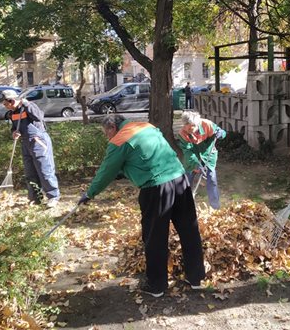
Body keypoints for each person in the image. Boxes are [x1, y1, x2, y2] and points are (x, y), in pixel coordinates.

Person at [78, 116, 205, 297]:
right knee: (189, 230)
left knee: (155, 237)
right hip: (180, 179)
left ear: (113, 127)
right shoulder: (146, 126)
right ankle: (196, 278)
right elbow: (148, 154)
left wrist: (90, 194)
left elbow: (106, 171)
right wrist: (123, 171)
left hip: (156, 188)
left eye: (107, 133)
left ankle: (157, 286)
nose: (108, 138)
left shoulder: (120, 140)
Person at [0, 89, 60, 208]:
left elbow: (39, 116)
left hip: (38, 142)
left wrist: (26, 104)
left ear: (12, 100)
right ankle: (35, 198)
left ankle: (53, 197)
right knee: (30, 172)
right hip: (25, 143)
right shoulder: (12, 113)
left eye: (6, 104)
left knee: (44, 170)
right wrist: (14, 133)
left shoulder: (29, 106)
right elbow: (15, 127)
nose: (5, 107)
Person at [177, 111, 226, 209]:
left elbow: (222, 132)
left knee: (211, 178)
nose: (190, 128)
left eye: (193, 125)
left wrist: (221, 134)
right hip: (192, 157)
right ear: (184, 125)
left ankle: (215, 206)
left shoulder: (207, 124)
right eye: (187, 125)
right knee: (187, 180)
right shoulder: (182, 134)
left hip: (208, 154)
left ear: (197, 123)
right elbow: (188, 152)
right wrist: (196, 165)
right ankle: (186, 206)